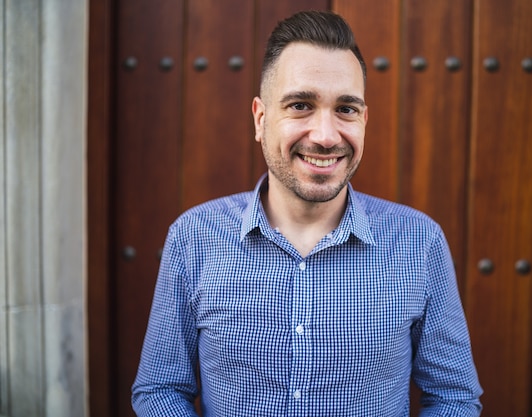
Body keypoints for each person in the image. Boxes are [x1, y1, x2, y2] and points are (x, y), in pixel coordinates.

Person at [131, 10, 482, 416]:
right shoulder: (193, 238)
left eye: (346, 109)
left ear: (364, 120)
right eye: (300, 105)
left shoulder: (420, 242)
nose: (326, 136)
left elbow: (454, 398)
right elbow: (160, 391)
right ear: (261, 119)